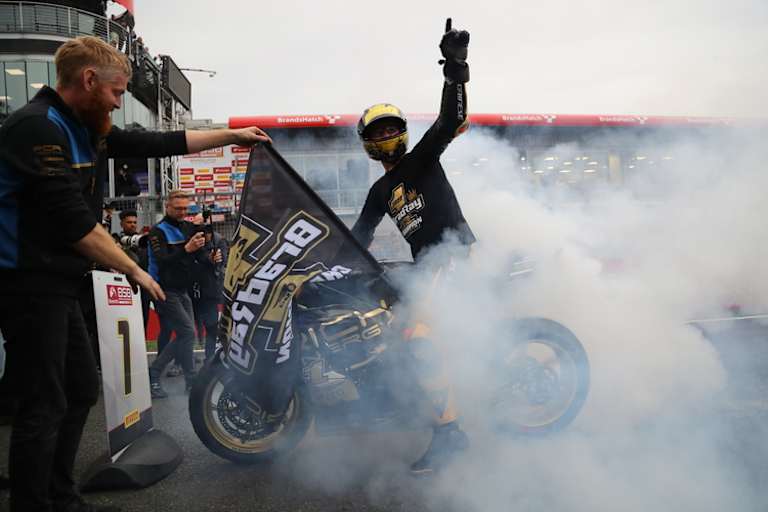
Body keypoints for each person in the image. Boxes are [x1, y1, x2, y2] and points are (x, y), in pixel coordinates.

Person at [0, 35, 269, 512]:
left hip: (60, 283)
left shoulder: (84, 125)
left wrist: (234, 135)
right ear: (88, 80)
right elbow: (73, 222)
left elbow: (161, 140)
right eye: (117, 92)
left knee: (81, 389)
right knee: (44, 402)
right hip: (26, 283)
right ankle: (31, 503)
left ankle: (61, 496)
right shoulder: (37, 128)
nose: (120, 102)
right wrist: (136, 271)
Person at [350, 20, 474, 475]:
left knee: (418, 340)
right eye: (376, 133)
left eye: (390, 130)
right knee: (382, 319)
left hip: (454, 257)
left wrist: (455, 68)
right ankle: (414, 400)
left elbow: (451, 122)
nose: (385, 138)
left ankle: (451, 435)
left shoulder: (421, 159)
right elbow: (356, 237)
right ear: (367, 143)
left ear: (401, 132)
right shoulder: (379, 192)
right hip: (430, 267)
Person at [146, 192, 209, 398]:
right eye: (178, 208)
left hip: (183, 290)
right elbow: (163, 260)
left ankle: (191, 381)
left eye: (185, 208)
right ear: (167, 207)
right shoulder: (157, 231)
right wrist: (187, 248)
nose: (182, 212)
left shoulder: (187, 228)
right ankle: (153, 374)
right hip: (163, 289)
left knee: (187, 337)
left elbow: (199, 255)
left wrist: (210, 254)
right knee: (188, 333)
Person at [190, 218, 228, 360]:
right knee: (188, 329)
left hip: (209, 291)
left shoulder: (219, 241)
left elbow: (220, 261)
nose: (203, 235)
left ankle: (210, 357)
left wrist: (214, 258)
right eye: (199, 231)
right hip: (191, 290)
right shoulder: (192, 242)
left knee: (212, 327)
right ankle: (183, 360)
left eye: (206, 231)